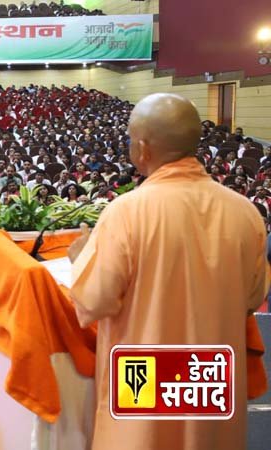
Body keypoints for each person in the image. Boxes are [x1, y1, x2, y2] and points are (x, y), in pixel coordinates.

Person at [67, 93, 269, 450]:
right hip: (207, 374)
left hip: (142, 374)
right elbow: (252, 299)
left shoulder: (126, 212)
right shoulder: (245, 213)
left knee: (143, 439)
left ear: (142, 148)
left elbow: (95, 302)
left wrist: (82, 259)